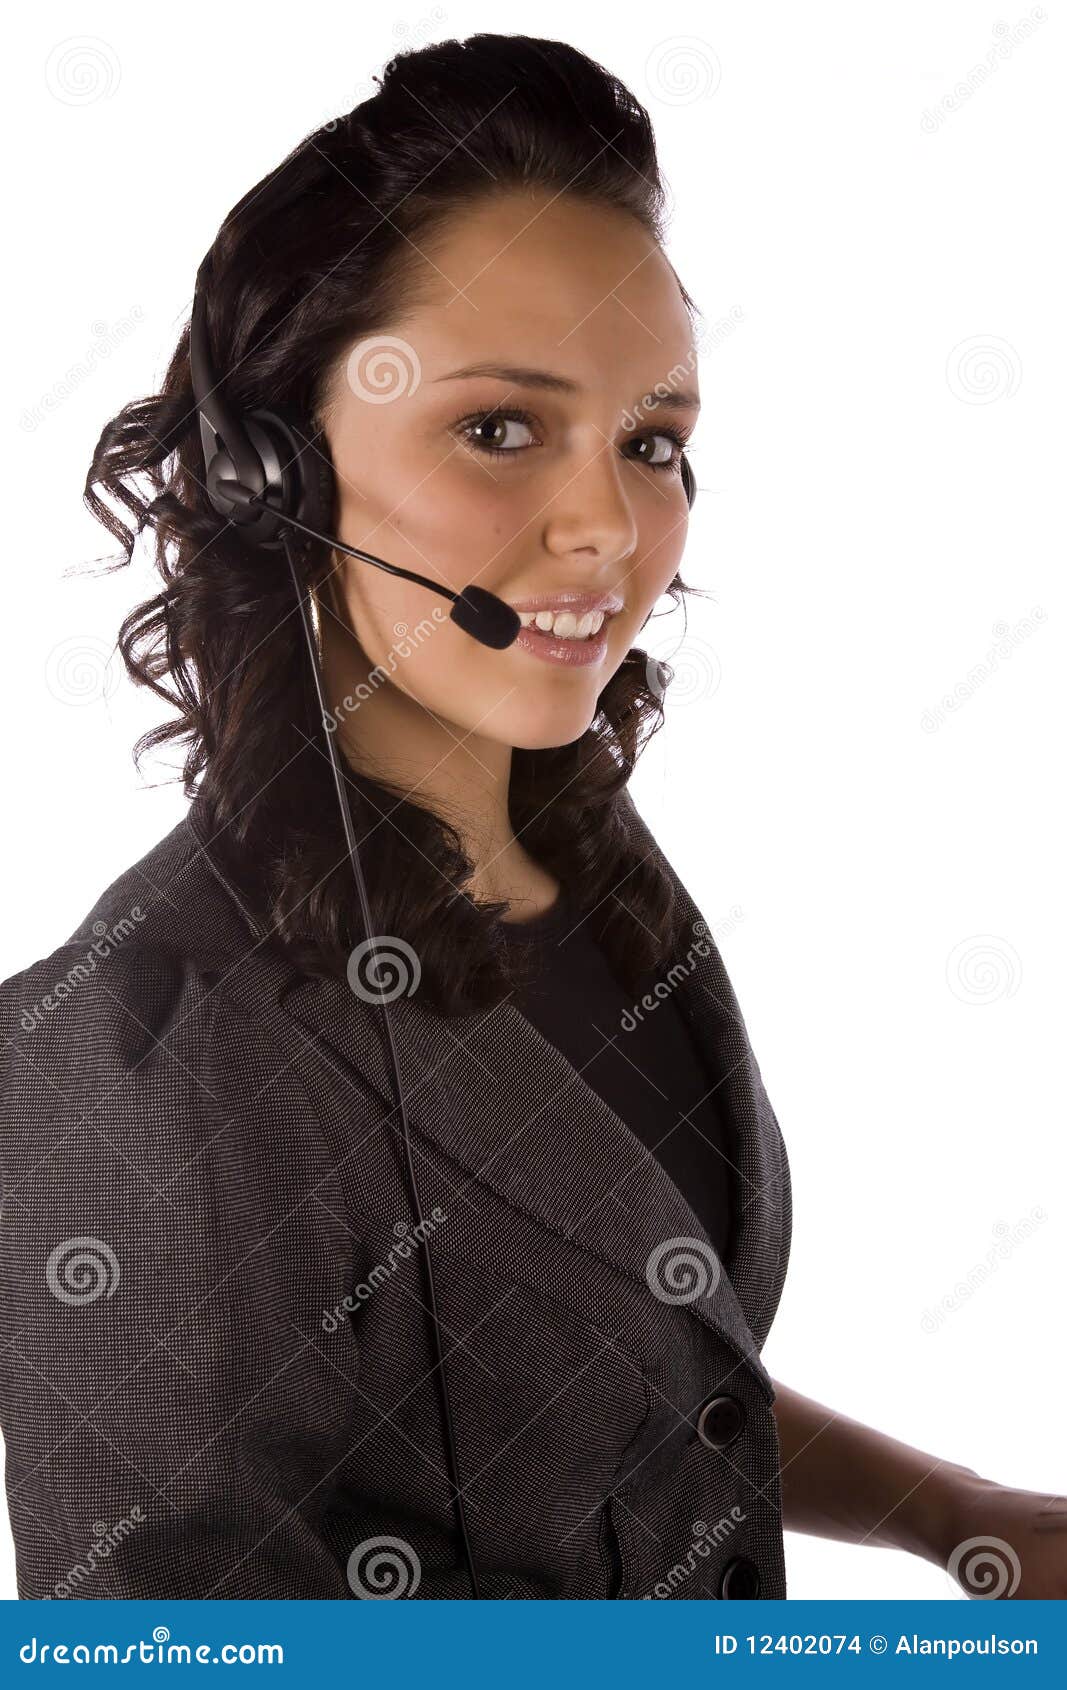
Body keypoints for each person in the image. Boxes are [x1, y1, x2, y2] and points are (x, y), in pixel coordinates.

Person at [1, 33, 1063, 1602]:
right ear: (268, 470)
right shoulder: (130, 1056)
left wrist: (951, 1509)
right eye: (501, 428)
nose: (612, 525)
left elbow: (631, 1378)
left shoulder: (596, 876)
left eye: (652, 442)